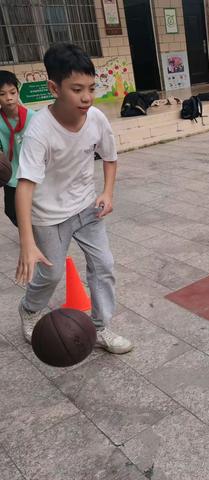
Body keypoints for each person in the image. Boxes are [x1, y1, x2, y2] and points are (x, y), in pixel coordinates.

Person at [15, 43, 132, 354]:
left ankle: (101, 327)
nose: (87, 97)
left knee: (104, 265)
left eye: (91, 88)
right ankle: (29, 309)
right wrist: (27, 242)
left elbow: (110, 156)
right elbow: (24, 186)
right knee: (51, 274)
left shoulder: (96, 118)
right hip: (49, 215)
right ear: (54, 87)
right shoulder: (39, 131)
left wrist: (107, 191)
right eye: (77, 89)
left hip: (86, 207)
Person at [0, 71, 36, 226]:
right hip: (11, 175)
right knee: (11, 211)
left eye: (12, 92)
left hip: (31, 173)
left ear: (17, 91)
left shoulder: (32, 117)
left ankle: (35, 237)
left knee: (36, 210)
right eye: (2, 94)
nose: (9, 98)